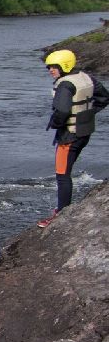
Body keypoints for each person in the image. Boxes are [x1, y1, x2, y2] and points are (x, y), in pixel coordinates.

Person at [40, 49, 109, 227]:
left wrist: (55, 123)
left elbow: (62, 111)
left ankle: (61, 214)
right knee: (66, 172)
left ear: (64, 65)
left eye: (53, 67)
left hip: (68, 135)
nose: (50, 70)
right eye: (49, 67)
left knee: (62, 175)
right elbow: (104, 98)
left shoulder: (65, 85)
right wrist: (89, 113)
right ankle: (62, 209)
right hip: (84, 132)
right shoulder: (86, 78)